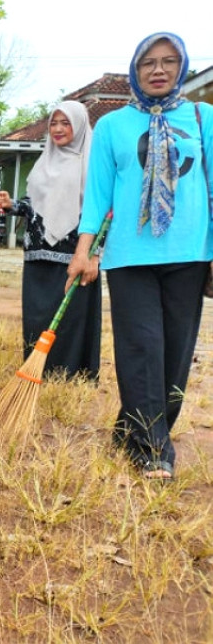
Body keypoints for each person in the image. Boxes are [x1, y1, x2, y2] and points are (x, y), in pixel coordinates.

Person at [68, 32, 213, 481]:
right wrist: (83, 250)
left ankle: (133, 429)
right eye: (149, 62)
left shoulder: (203, 117)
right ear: (135, 68)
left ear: (182, 68)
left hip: (190, 253)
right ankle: (154, 449)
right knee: (140, 346)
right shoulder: (111, 125)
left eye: (169, 62)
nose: (158, 70)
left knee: (174, 353)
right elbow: (98, 194)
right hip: (129, 256)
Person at [0, 101, 101, 379]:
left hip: (75, 253)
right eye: (54, 123)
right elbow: (35, 204)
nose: (58, 129)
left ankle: (70, 373)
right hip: (38, 252)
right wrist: (11, 205)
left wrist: (95, 254)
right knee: (38, 313)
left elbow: (100, 210)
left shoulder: (92, 162)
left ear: (78, 126)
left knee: (72, 316)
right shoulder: (44, 160)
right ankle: (38, 367)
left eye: (66, 123)